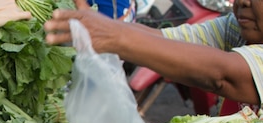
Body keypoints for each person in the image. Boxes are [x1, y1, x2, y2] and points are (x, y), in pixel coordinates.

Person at [44, 0, 263, 112]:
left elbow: (222, 75)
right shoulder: (235, 27)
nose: (242, 2)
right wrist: (98, 25)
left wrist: (114, 36)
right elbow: (171, 40)